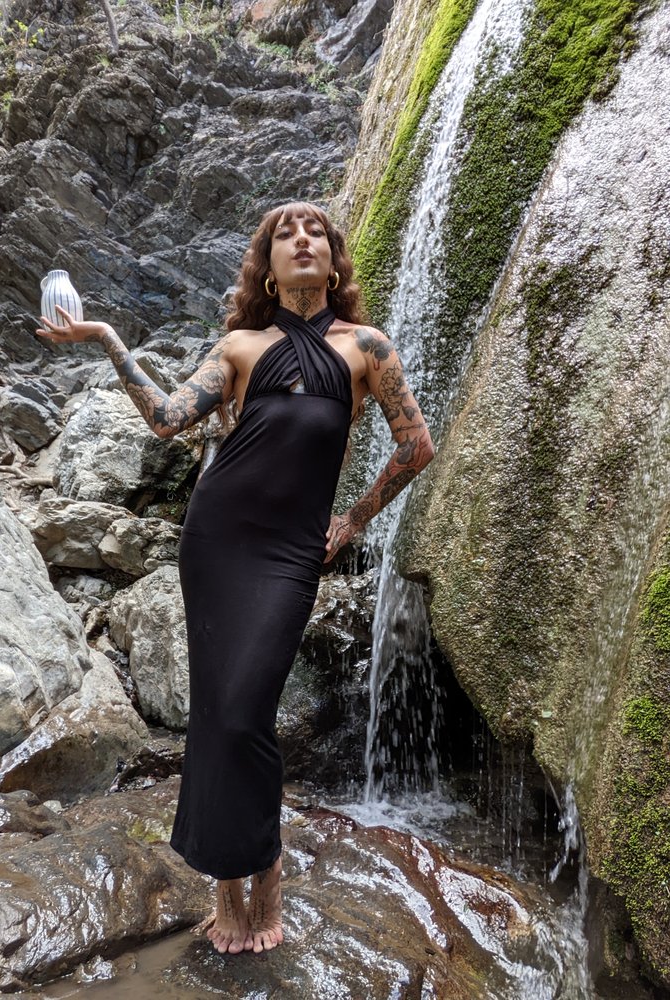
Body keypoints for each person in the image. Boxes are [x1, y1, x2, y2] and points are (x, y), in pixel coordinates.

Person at [36, 201, 434, 956]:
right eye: (284, 234)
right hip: (216, 542)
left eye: (314, 231)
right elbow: (164, 417)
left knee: (247, 707)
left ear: (334, 257)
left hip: (288, 553)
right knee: (219, 710)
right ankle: (227, 886)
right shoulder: (242, 347)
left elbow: (416, 445)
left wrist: (351, 520)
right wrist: (106, 337)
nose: (302, 240)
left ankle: (268, 871)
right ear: (267, 265)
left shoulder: (366, 348)